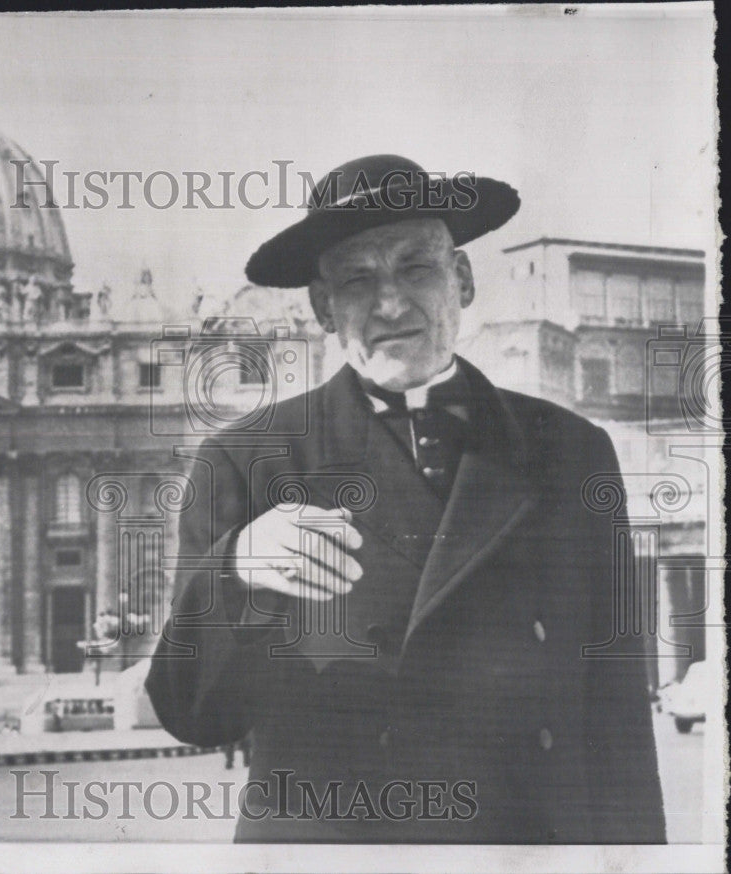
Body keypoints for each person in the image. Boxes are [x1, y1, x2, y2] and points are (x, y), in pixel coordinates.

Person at [146, 154, 665, 843]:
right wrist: (238, 571)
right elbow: (192, 714)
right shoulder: (245, 460)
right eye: (358, 279)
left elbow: (618, 714)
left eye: (415, 267)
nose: (390, 303)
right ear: (324, 309)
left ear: (464, 279)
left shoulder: (571, 451)